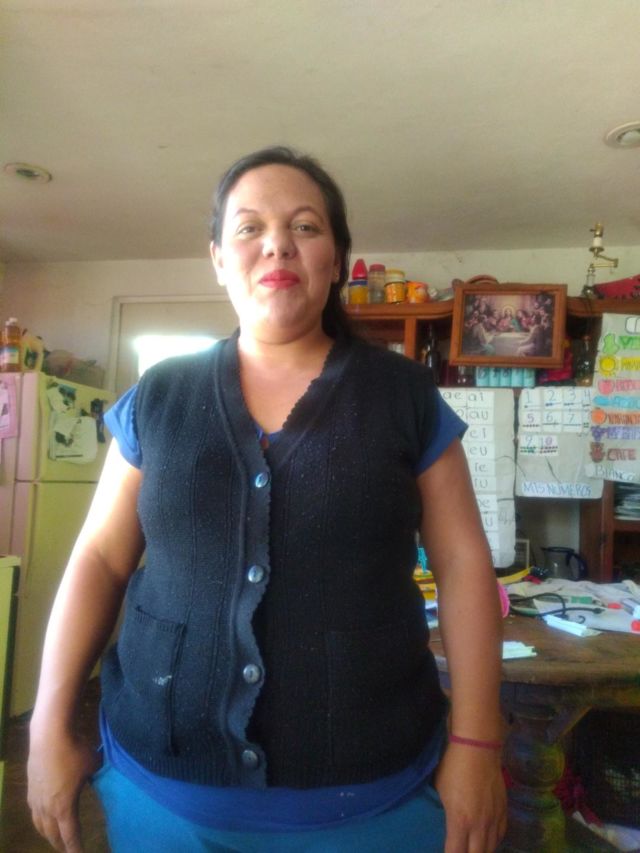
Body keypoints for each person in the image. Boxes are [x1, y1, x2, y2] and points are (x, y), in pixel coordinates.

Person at [27, 146, 506, 853]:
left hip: (373, 797)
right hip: (161, 790)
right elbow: (99, 558)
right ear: (219, 259)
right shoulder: (160, 395)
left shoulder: (403, 395)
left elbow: (463, 565)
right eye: (249, 227)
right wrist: (47, 726)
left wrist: (477, 741)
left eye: (305, 226)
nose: (277, 243)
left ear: (337, 259)